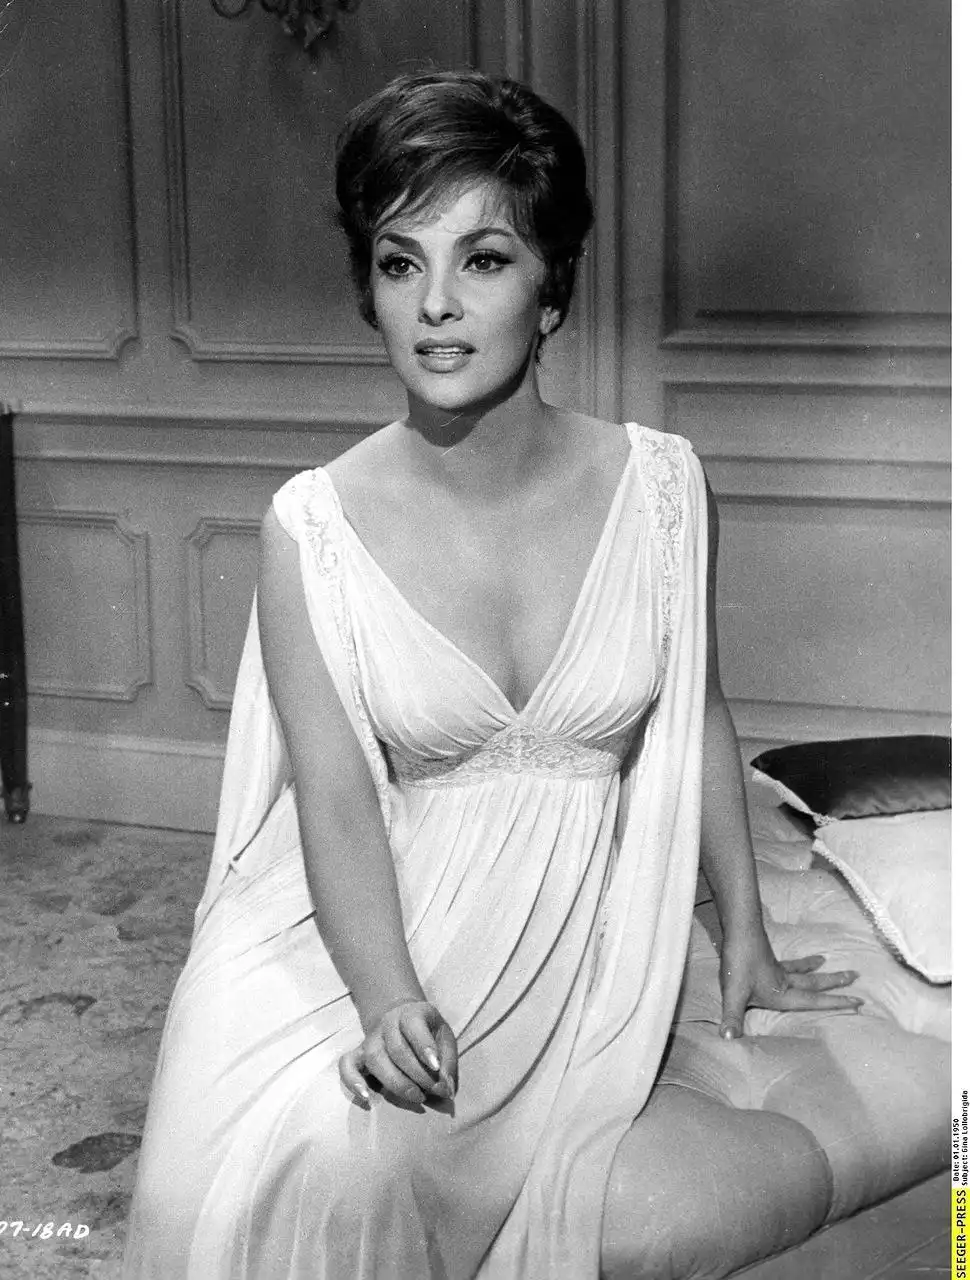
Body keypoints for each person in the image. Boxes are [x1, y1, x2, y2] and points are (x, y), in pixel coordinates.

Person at [121, 70, 862, 1279]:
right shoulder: (309, 524)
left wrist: (748, 933)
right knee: (310, 1159)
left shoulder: (662, 488)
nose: (436, 305)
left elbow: (695, 714)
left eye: (484, 258)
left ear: (552, 288)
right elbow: (334, 798)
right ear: (368, 288)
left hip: (565, 940)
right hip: (354, 934)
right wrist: (385, 998)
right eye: (400, 262)